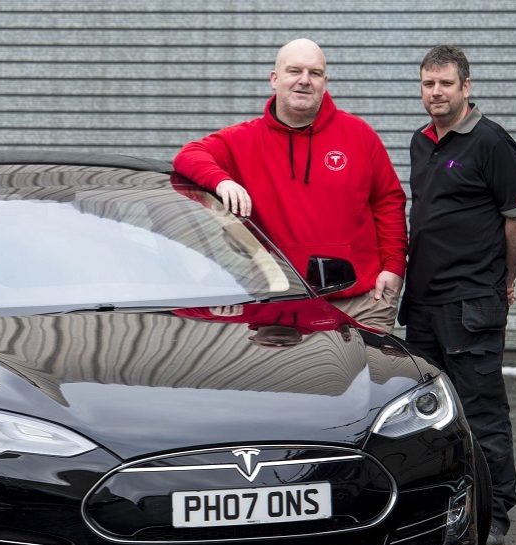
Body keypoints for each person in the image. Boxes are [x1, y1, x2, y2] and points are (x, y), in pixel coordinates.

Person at [400, 45, 516, 545]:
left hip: (471, 304)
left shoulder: (492, 143)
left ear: (466, 87)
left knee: (481, 411)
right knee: (425, 413)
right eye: (428, 84)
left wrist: (505, 277)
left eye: (446, 84)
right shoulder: (420, 142)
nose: (436, 93)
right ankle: (440, 506)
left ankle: (496, 513)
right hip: (425, 304)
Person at [174, 38, 407, 333]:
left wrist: (394, 267)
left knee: (372, 380)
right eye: (294, 71)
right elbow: (189, 155)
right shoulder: (244, 140)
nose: (304, 81)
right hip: (278, 311)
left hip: (361, 304)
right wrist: (221, 181)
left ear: (325, 81)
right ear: (275, 79)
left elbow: (388, 201)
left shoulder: (359, 135)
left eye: (315, 73)